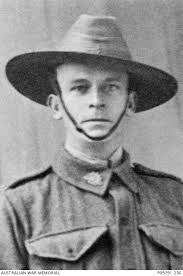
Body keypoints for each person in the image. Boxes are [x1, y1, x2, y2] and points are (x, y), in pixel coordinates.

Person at [0, 14, 182, 270]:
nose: (96, 100)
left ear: (130, 103)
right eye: (80, 87)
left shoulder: (175, 197)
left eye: (111, 87)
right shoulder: (20, 206)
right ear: (56, 105)